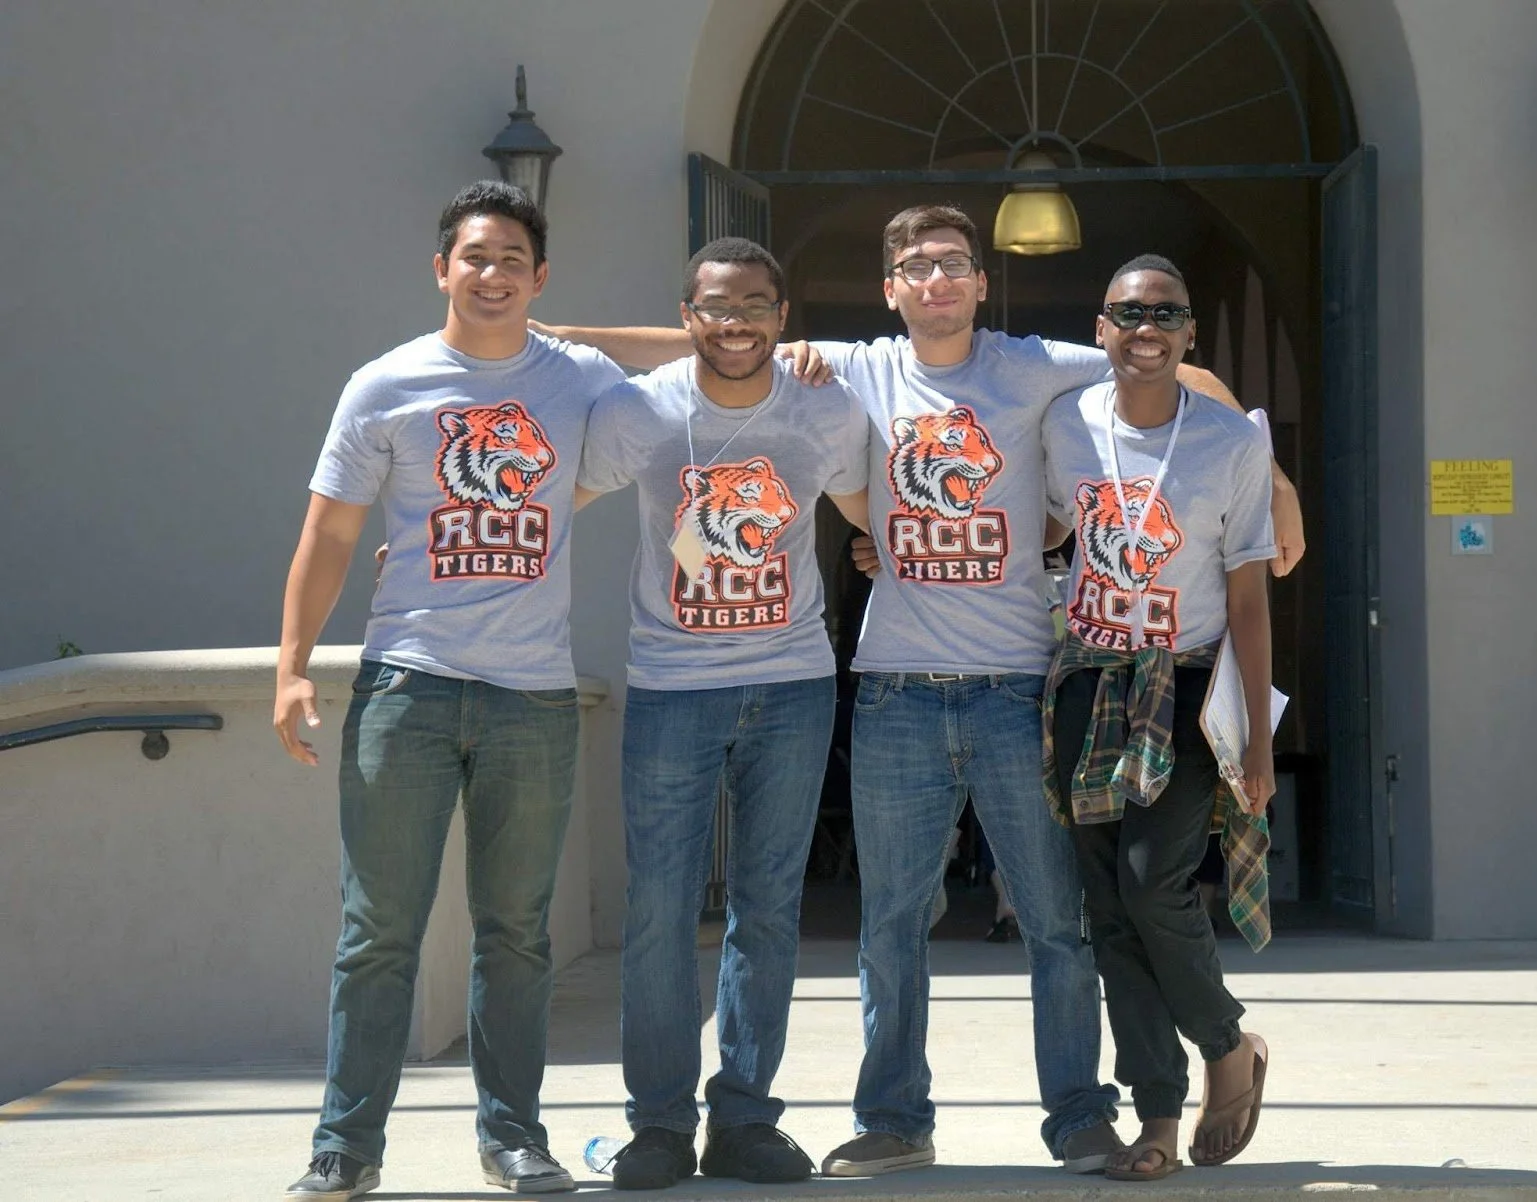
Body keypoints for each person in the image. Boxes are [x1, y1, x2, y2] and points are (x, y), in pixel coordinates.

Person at [529, 203, 1303, 1177]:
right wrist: (561, 336)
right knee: (891, 919)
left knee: (1057, 920)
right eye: (912, 265)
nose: (933, 278)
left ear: (980, 282)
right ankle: (894, 1112)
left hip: (1016, 686)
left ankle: (1077, 1113)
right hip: (893, 683)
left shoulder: (1034, 364)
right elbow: (724, 327)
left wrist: (1273, 483)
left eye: (951, 263)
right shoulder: (855, 365)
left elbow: (1168, 361)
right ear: (891, 288)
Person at [272, 180, 624, 1201]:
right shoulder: (385, 384)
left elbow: (695, 351)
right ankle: (346, 1143)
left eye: (513, 257)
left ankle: (513, 1136)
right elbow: (329, 532)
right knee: (378, 926)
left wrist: (572, 327)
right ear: (442, 268)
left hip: (532, 698)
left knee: (517, 931)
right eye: (476, 255)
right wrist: (292, 664)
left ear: (539, 276)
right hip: (408, 688)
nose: (492, 272)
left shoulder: (577, 375)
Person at [572, 237, 870, 1190]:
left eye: (754, 304)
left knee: (767, 912)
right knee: (660, 911)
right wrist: (409, 561)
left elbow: (879, 512)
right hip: (671, 686)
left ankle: (743, 1119)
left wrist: (879, 551)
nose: (734, 321)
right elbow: (557, 498)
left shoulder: (824, 403)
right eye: (715, 305)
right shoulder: (641, 410)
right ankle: (658, 1123)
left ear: (784, 317)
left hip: (792, 684)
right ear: (686, 315)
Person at [1042, 254, 1274, 1182]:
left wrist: (1258, 738)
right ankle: (1159, 1116)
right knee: (1106, 911)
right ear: (1099, 329)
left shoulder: (1231, 443)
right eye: (1127, 313)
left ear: (1189, 336)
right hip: (1088, 684)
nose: (1146, 328)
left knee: (1152, 884)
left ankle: (1227, 1044)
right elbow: (1043, 527)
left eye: (1165, 313)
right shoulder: (1064, 424)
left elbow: (1250, 599)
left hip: (1184, 688)